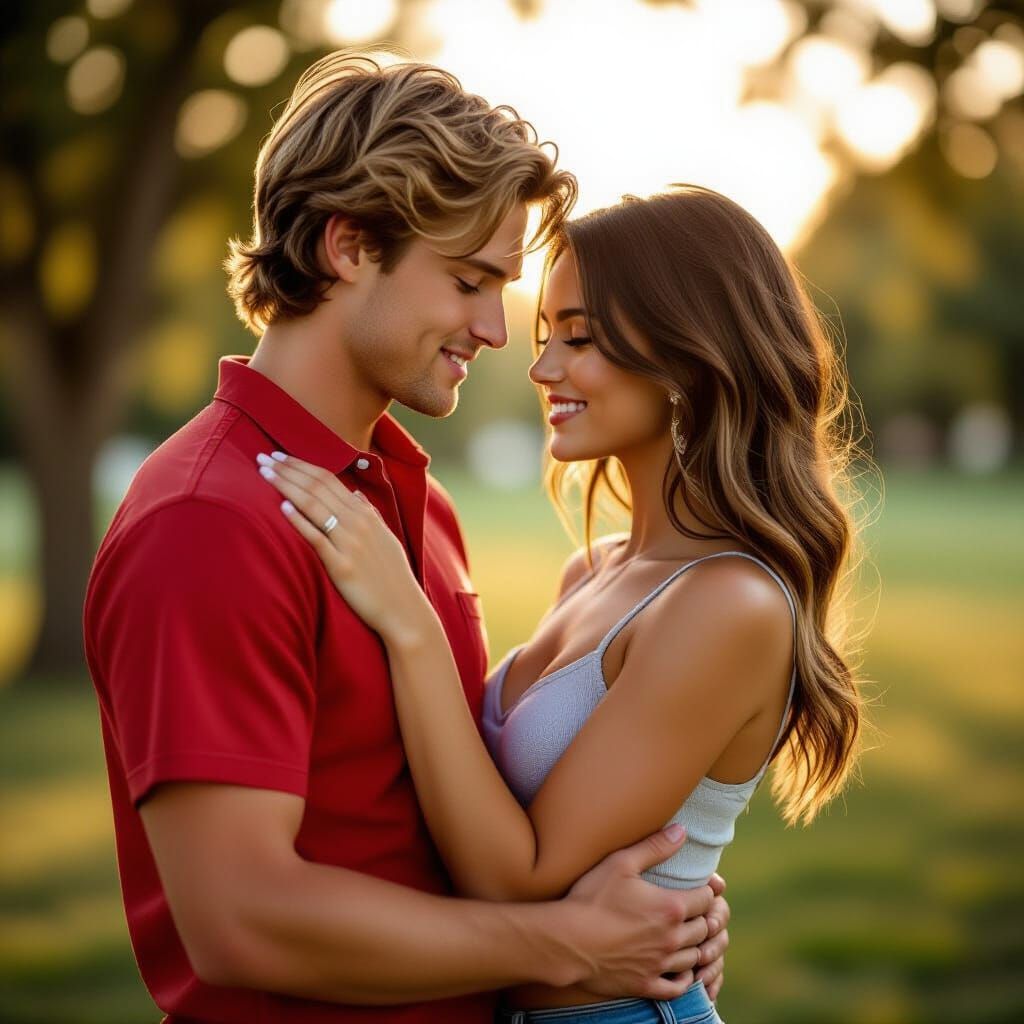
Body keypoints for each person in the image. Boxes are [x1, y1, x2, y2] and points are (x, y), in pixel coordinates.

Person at [83, 55, 730, 1024]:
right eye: (470, 281)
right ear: (349, 247)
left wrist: (662, 911)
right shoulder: (208, 519)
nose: (495, 329)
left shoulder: (413, 503)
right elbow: (241, 920)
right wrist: (568, 943)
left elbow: (452, 817)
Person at [257, 185, 866, 1023]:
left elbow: (520, 874)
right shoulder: (593, 571)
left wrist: (410, 625)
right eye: (547, 337)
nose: (541, 369)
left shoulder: (731, 604)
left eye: (577, 339)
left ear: (690, 354)